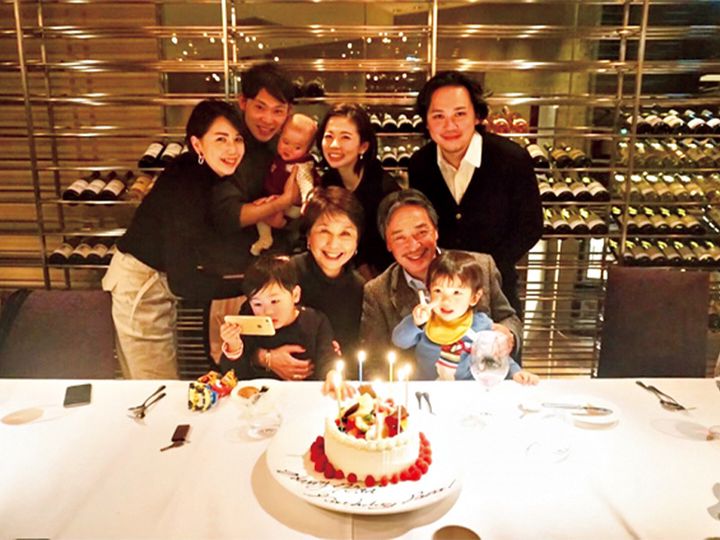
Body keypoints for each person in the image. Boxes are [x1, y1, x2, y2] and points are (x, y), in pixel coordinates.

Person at [102, 99, 246, 379]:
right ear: (197, 143)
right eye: (220, 139)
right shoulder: (187, 183)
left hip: (153, 280)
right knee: (156, 385)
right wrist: (247, 284)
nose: (232, 149)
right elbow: (184, 282)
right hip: (142, 285)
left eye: (237, 139)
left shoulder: (201, 172)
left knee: (153, 381)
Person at [408, 71, 543, 317]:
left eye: (460, 114)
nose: (450, 125)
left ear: (477, 116)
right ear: (426, 122)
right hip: (441, 296)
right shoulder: (420, 164)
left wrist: (484, 270)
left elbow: (530, 227)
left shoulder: (512, 159)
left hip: (497, 290)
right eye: (438, 116)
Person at [360, 189, 522, 375]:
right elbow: (374, 361)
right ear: (388, 243)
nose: (413, 245)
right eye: (400, 237)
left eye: (421, 232)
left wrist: (508, 335)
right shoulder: (377, 292)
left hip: (480, 382)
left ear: (436, 231)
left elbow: (509, 318)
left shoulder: (479, 267)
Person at [392, 251, 538, 384]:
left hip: (469, 392)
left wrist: (516, 373)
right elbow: (399, 341)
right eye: (438, 291)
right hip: (427, 391)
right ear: (428, 292)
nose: (446, 300)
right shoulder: (425, 321)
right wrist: (415, 323)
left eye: (456, 293)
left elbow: (497, 356)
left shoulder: (481, 324)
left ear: (474, 298)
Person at [211, 62, 299, 259]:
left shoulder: (283, 145)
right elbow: (226, 215)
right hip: (227, 258)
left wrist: (284, 220)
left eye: (278, 111)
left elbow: (298, 210)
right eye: (260, 107)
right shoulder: (225, 143)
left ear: (289, 111)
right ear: (243, 102)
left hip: (275, 258)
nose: (268, 119)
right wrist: (280, 203)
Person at [219, 255, 336, 381]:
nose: (267, 311)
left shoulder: (315, 321)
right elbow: (233, 373)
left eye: (274, 301)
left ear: (295, 295)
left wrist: (332, 374)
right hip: (261, 392)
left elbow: (327, 358)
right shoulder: (250, 323)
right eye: (257, 304)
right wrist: (233, 345)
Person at [318, 103, 399, 279]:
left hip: (382, 276)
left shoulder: (384, 189)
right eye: (329, 136)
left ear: (363, 146)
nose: (334, 145)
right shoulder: (327, 182)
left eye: (345, 137)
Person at [290, 186, 365, 361]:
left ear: (357, 242)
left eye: (345, 233)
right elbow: (246, 334)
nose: (333, 244)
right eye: (324, 231)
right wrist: (265, 358)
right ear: (309, 236)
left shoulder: (360, 289)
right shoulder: (285, 274)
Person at [251, 113, 319, 256]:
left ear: (307, 150)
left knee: (264, 212)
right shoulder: (280, 157)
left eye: (297, 147)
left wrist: (307, 199)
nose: (289, 149)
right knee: (259, 211)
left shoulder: (301, 165)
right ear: (280, 135)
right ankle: (265, 238)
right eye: (285, 142)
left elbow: (306, 182)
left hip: (294, 207)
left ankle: (273, 237)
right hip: (278, 198)